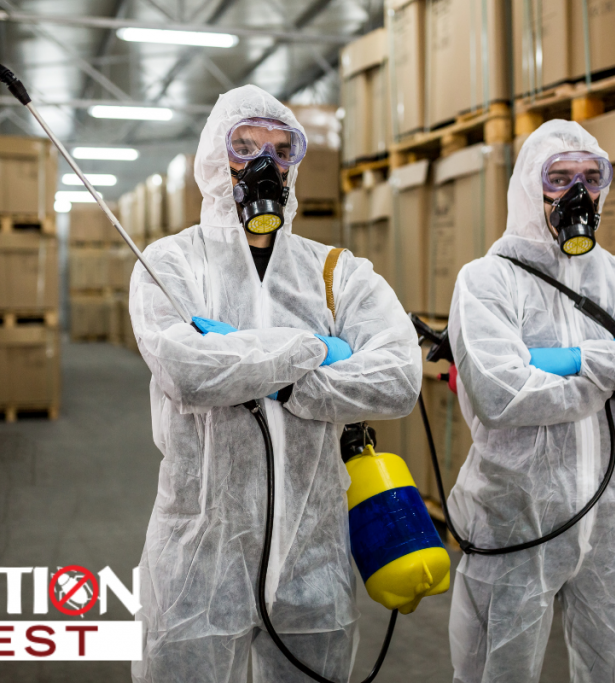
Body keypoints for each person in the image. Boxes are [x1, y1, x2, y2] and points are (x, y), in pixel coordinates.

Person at [128, 85, 421, 683]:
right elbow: (188, 371)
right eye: (245, 147)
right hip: (198, 554)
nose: (265, 163)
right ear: (215, 158)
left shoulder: (339, 272)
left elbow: (398, 379)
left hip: (314, 554)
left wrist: (268, 376)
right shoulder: (171, 263)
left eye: (281, 149)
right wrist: (316, 349)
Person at [445, 120, 615, 682]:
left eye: (591, 178)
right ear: (527, 189)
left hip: (612, 524)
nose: (577, 194)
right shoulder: (487, 281)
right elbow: (502, 394)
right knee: (499, 670)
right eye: (559, 179)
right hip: (515, 520)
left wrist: (579, 360)